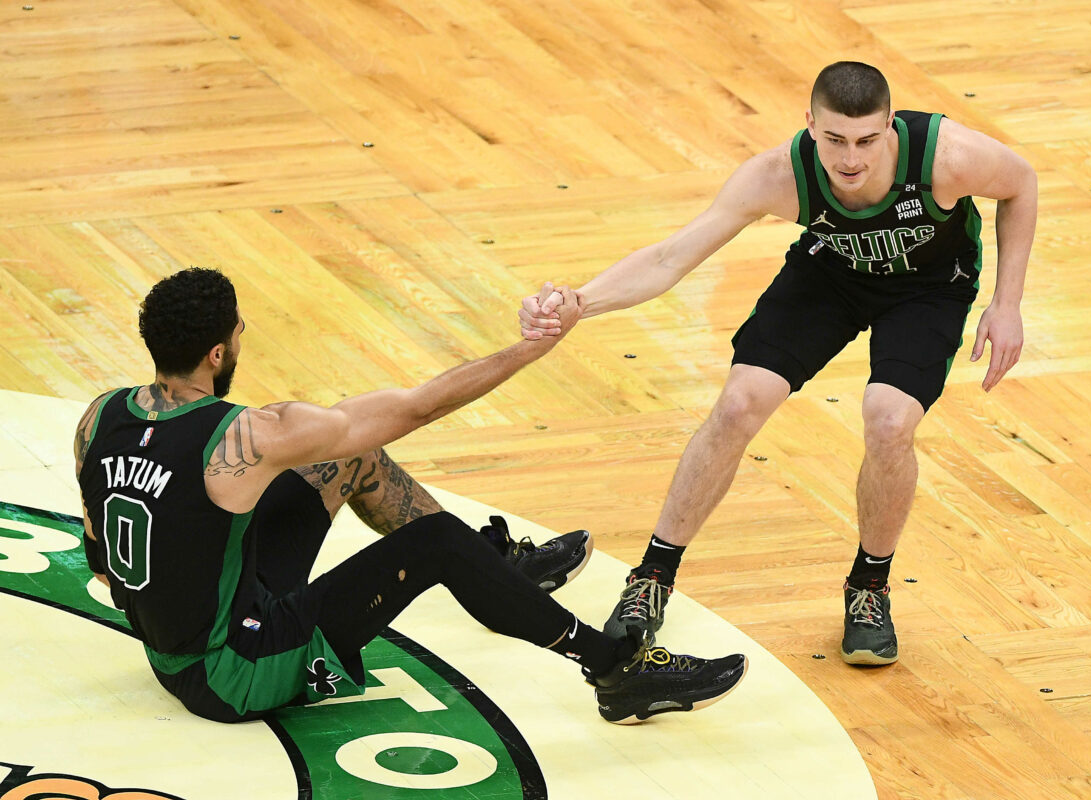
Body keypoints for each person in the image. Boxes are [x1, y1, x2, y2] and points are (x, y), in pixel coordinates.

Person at [520, 61, 1037, 665]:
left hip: (928, 287)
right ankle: (651, 579)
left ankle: (869, 587)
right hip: (830, 273)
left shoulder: (948, 156)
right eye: (834, 140)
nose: (850, 159)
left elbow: (1021, 184)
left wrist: (1007, 304)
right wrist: (582, 301)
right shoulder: (778, 175)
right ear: (810, 125)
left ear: (890, 126)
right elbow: (669, 258)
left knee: (889, 420)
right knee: (739, 403)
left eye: (868, 140)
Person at [75, 267, 745, 725]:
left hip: (177, 643)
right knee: (438, 544)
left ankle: (498, 577)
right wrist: (531, 348)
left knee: (349, 452)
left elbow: (103, 559)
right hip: (234, 674)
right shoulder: (244, 435)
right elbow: (417, 408)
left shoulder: (99, 418)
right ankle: (615, 672)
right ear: (219, 352)